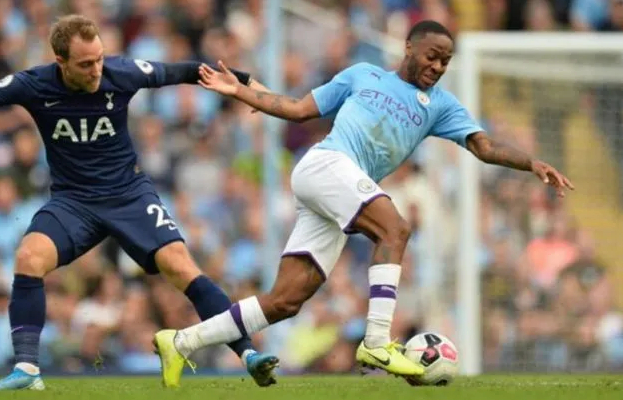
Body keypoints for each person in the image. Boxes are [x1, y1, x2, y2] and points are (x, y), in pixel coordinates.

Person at [153, 20, 574, 387]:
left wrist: (530, 162)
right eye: (432, 56)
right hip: (325, 165)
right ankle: (376, 342)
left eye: (445, 62)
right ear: (409, 47)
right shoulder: (362, 74)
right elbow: (299, 109)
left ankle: (181, 341)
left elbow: (482, 146)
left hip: (339, 191)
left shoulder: (441, 106)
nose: (438, 67)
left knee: (286, 300)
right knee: (396, 228)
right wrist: (241, 92)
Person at [0, 14, 278, 390]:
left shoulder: (122, 73)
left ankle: (247, 355)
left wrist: (245, 84)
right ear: (60, 62)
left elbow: (187, 71)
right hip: (74, 202)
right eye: (86, 64)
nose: (96, 70)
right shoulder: (35, 84)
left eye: (99, 59)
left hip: (128, 194)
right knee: (29, 258)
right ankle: (27, 369)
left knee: (180, 266)